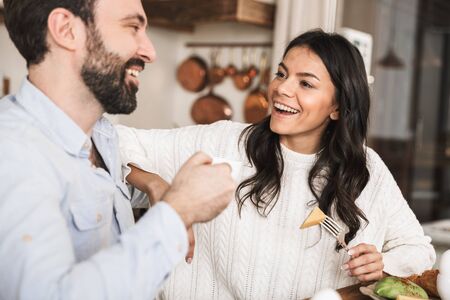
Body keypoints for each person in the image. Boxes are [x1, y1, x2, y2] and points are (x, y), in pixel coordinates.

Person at [117, 29, 436, 299]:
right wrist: (155, 185)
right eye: (282, 73)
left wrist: (383, 264)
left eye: (306, 83)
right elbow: (112, 140)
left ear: (337, 107)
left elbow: (418, 249)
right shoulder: (224, 142)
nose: (282, 88)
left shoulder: (367, 170)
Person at [0, 0, 235, 299]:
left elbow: (101, 198)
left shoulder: (101, 134)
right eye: (133, 27)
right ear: (66, 29)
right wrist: (177, 214)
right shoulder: (12, 153)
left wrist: (153, 183)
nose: (150, 51)